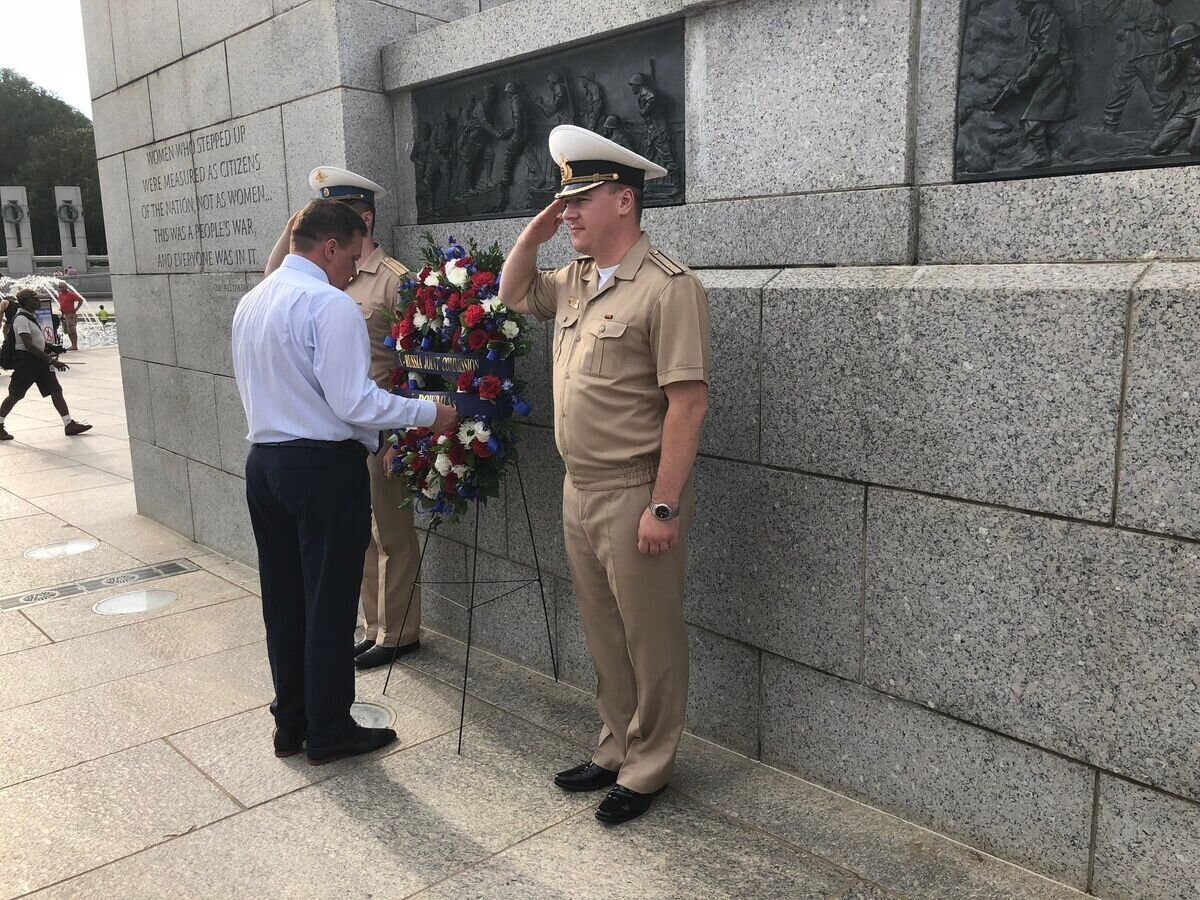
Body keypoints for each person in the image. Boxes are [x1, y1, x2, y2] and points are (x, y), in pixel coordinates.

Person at [498, 125, 711, 825]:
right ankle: (615, 745)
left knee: (649, 636)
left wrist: (665, 506)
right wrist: (537, 229)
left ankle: (649, 767)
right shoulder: (577, 281)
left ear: (624, 201)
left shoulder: (668, 288)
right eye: (564, 202)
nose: (570, 214)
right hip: (577, 489)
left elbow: (687, 402)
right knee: (602, 631)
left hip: (632, 492)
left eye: (582, 199)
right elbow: (512, 291)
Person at [233, 200, 457, 765]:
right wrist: (431, 413)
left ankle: (292, 722)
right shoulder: (327, 304)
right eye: (351, 257)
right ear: (328, 247)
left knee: (284, 601)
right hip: (321, 468)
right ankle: (330, 729)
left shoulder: (254, 300)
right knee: (330, 605)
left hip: (265, 464)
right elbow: (354, 401)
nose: (352, 271)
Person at [265, 168, 425, 671]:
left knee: (393, 535)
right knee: (360, 538)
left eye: (340, 214)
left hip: (381, 429)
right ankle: (373, 625)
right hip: (338, 439)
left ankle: (400, 631)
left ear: (365, 219)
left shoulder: (394, 281)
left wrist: (403, 434)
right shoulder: (315, 279)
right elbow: (271, 279)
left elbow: (414, 364)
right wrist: (295, 225)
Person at [0, 289, 93, 441]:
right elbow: (28, 345)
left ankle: (69, 424)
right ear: (27, 301)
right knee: (15, 395)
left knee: (56, 390)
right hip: (26, 363)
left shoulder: (30, 316)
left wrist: (49, 346)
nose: (39, 300)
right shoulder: (21, 319)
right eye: (35, 298)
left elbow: (36, 341)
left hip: (40, 361)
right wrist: (52, 360)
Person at [57, 282, 80, 351]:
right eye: (60, 287)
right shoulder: (60, 295)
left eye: (63, 287)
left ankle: (74, 345)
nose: (61, 288)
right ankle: (72, 345)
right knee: (68, 331)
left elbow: (80, 300)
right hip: (64, 314)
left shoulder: (71, 294)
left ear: (66, 287)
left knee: (72, 330)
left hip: (71, 314)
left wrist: (76, 309)